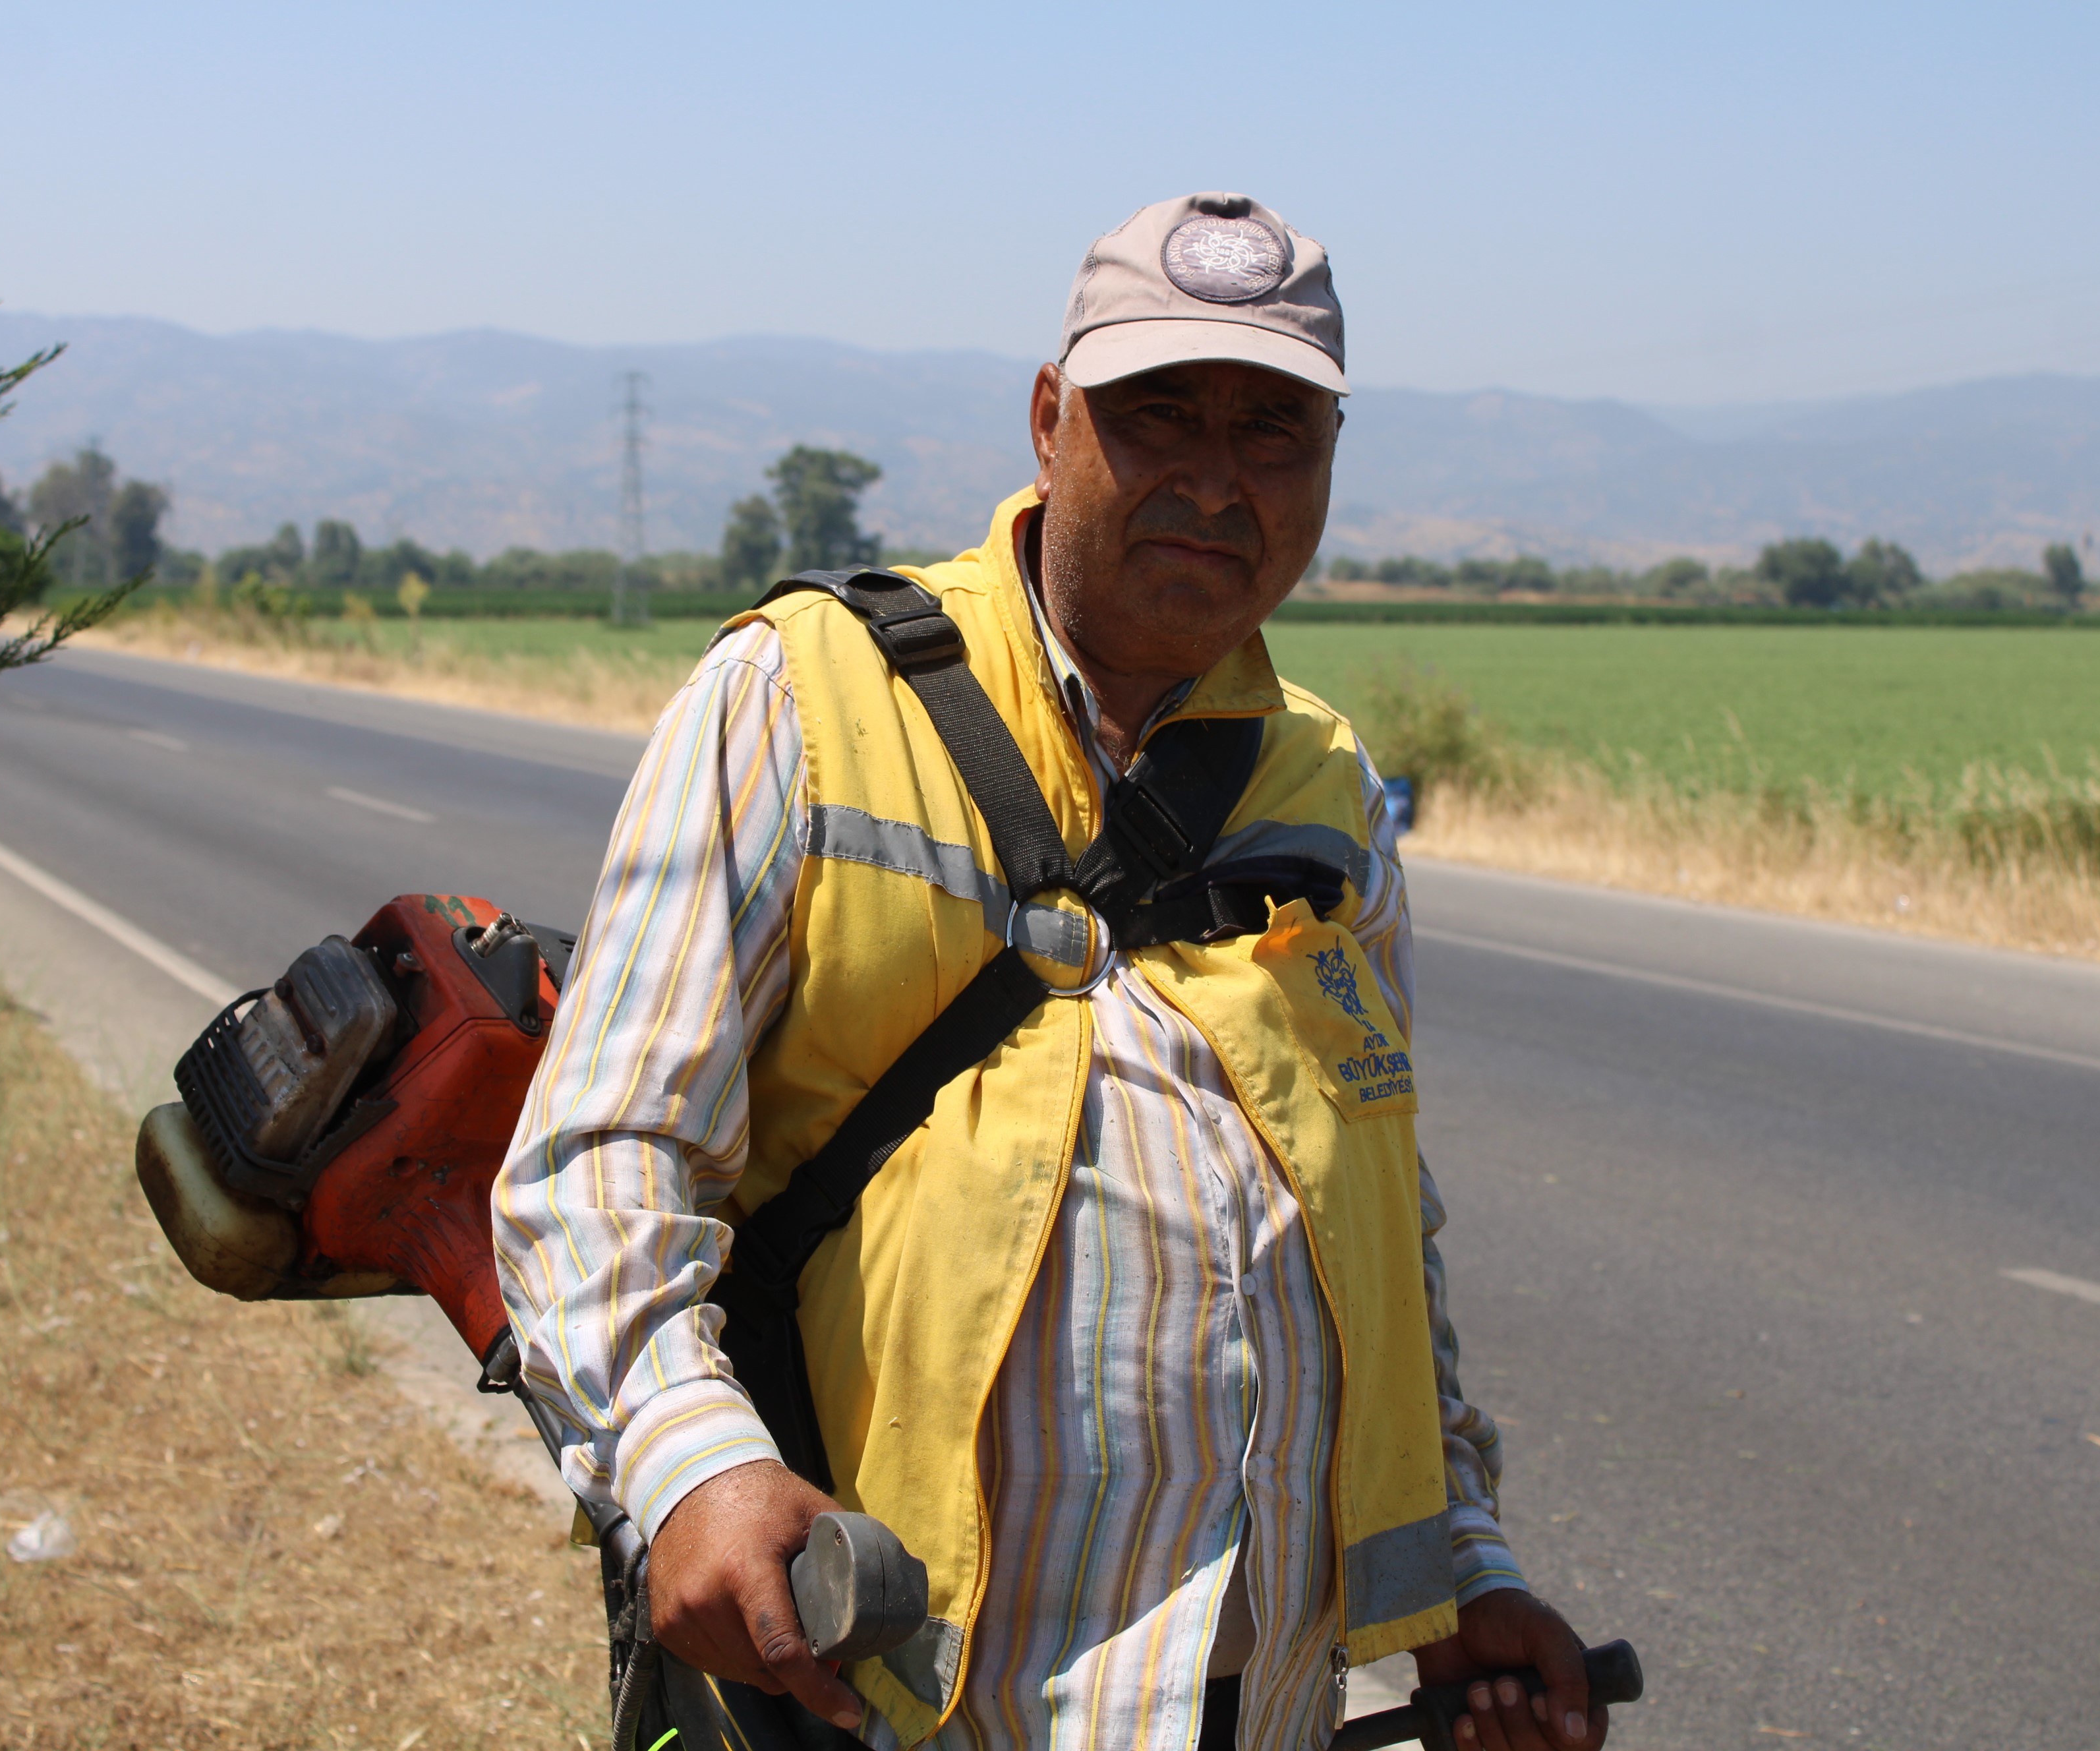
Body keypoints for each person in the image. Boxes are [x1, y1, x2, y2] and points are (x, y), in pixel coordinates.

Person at [493, 192, 1608, 1751]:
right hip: (893, 1685)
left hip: (1252, 1701)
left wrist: (1464, 1571)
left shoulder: (1330, 790)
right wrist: (688, 1464)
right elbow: (604, 1152)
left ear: (1330, 469)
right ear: (1048, 420)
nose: (1217, 479)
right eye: (1162, 413)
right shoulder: (800, 694)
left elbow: (1374, 1241)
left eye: (1274, 431)